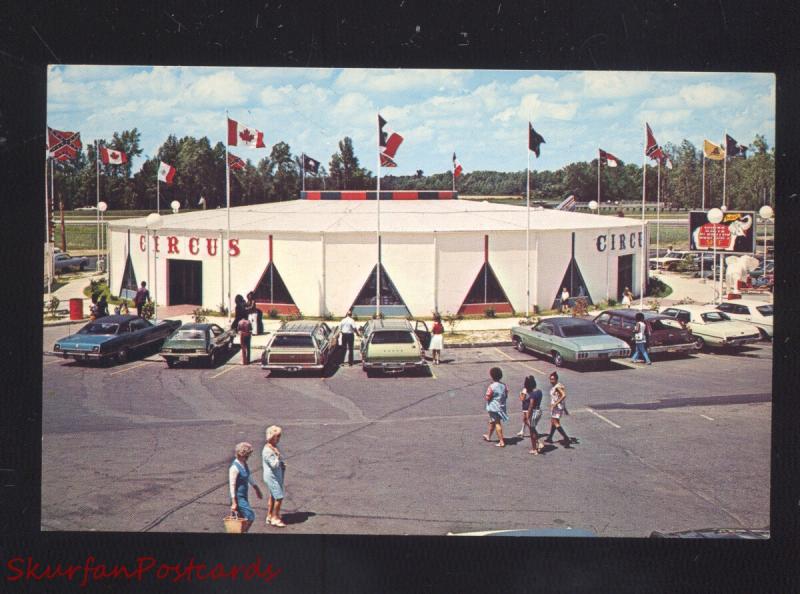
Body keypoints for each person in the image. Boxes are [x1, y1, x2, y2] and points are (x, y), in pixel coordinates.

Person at [228, 441, 263, 533]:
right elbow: (232, 486)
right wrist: (234, 502)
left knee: (241, 518)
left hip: (244, 495)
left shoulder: (243, 464)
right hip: (238, 497)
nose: (248, 458)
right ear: (241, 454)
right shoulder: (234, 468)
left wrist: (256, 488)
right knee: (250, 516)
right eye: (247, 455)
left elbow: (248, 476)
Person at [262, 425, 287, 527]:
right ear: (272, 437)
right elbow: (274, 465)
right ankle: (275, 518)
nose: (279, 439)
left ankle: (269, 515)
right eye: (278, 436)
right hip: (272, 477)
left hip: (274, 476)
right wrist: (277, 456)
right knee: (279, 497)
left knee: (273, 496)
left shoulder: (271, 447)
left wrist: (281, 464)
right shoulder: (268, 450)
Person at [545, 372, 574, 447]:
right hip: (557, 407)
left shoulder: (557, 387)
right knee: (553, 422)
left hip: (557, 407)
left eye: (553, 379)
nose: (551, 381)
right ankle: (550, 437)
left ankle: (566, 438)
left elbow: (563, 395)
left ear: (556, 379)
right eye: (550, 379)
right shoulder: (557, 385)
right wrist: (565, 409)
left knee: (556, 423)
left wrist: (555, 404)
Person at [482, 367, 509, 447]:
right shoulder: (504, 385)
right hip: (501, 406)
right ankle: (488, 436)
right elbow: (506, 395)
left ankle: (501, 441)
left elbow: (487, 397)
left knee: (497, 423)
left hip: (494, 407)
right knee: (492, 421)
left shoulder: (492, 386)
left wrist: (489, 398)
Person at [517, 376, 544, 454]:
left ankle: (535, 448)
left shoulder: (532, 394)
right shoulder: (539, 391)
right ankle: (538, 443)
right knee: (532, 429)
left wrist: (528, 416)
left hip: (534, 412)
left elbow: (531, 405)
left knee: (532, 432)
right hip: (539, 411)